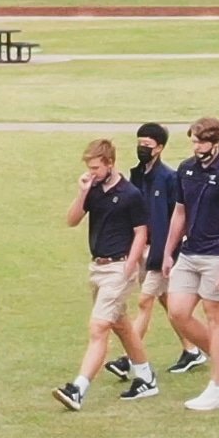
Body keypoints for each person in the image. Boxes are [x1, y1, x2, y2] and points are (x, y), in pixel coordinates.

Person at [55, 140, 155, 409]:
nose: (92, 172)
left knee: (99, 327)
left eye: (96, 168)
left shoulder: (130, 194)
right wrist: (82, 193)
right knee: (121, 324)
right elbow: (72, 220)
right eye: (90, 168)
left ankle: (78, 388)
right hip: (97, 268)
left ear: (110, 163)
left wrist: (130, 265)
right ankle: (146, 377)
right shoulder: (94, 189)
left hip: (119, 268)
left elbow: (141, 232)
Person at [105, 123, 206, 387]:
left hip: (161, 251)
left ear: (159, 148)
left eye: (147, 146)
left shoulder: (169, 179)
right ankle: (192, 350)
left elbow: (179, 216)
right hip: (141, 248)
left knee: (145, 301)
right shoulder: (137, 176)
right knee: (166, 300)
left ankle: (128, 359)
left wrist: (169, 252)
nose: (142, 149)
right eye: (139, 144)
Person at [163, 117, 219, 411]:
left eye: (201, 142)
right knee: (177, 312)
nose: (196, 147)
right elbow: (179, 213)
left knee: (216, 317)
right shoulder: (186, 170)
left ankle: (218, 389)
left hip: (218, 254)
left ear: (217, 143)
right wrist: (168, 251)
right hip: (190, 252)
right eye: (194, 141)